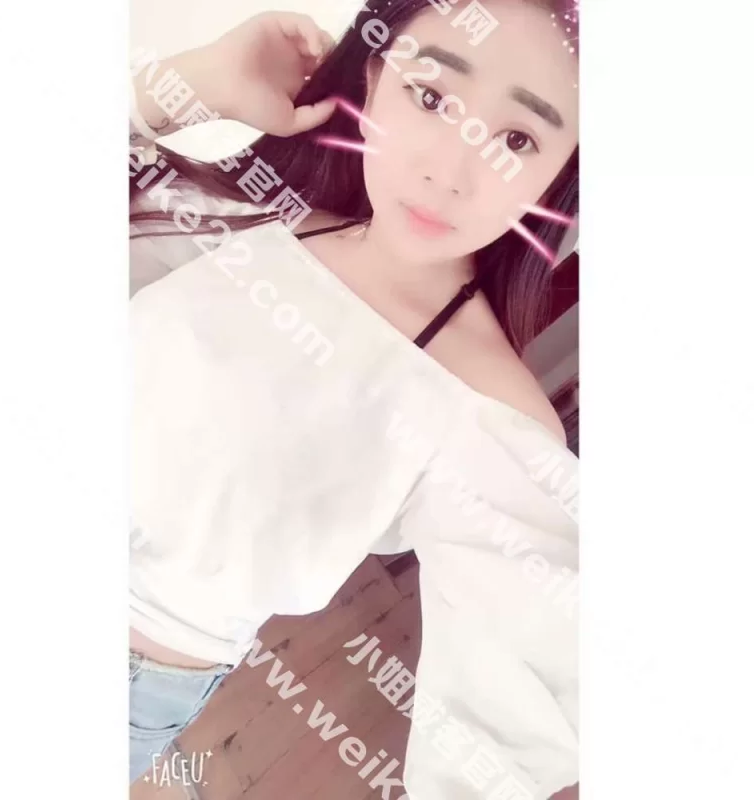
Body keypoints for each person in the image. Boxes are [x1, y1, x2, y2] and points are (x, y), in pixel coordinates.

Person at [128, 1, 580, 796]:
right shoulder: (264, 219)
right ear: (373, 80)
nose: (449, 169)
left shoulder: (487, 408)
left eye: (518, 140)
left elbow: (506, 739)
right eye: (430, 96)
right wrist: (190, 86)